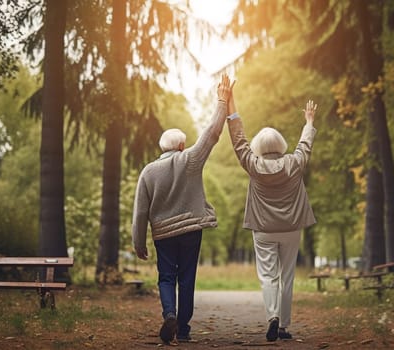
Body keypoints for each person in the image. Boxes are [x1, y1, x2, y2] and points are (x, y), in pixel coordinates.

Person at [132, 74, 234, 343]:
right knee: (187, 277)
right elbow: (212, 133)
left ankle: (169, 314)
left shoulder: (148, 172)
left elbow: (140, 212)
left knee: (166, 277)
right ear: (180, 145)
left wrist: (138, 242)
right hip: (190, 230)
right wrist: (222, 101)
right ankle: (184, 328)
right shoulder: (190, 159)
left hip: (163, 234)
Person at [226, 86, 317, 342]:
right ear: (280, 144)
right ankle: (284, 326)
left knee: (267, 275)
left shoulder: (253, 165)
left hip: (263, 230)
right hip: (290, 228)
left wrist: (231, 104)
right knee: (286, 275)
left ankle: (272, 317)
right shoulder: (294, 163)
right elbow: (305, 144)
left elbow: (238, 140)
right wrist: (308, 121)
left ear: (258, 146)